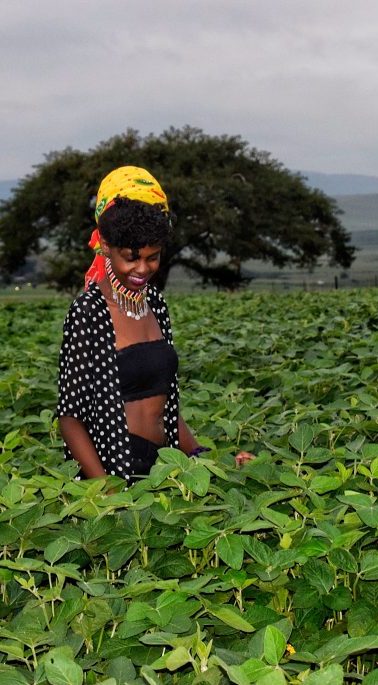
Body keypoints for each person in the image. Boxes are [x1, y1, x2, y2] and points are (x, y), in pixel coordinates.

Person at [57, 165, 253, 483]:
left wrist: (204, 459)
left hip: (165, 468)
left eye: (153, 257)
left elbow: (166, 406)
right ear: (105, 245)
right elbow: (70, 418)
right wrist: (106, 491)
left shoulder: (155, 304)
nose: (143, 268)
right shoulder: (88, 311)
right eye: (131, 257)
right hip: (115, 471)